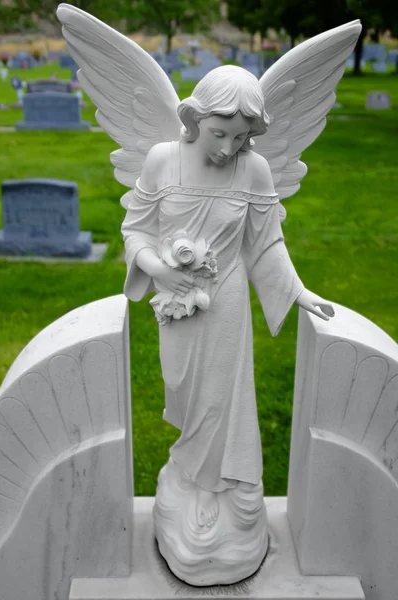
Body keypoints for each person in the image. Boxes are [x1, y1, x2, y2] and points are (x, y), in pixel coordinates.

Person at [121, 66, 334, 528]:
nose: (226, 149)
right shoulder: (162, 159)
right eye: (219, 133)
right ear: (195, 119)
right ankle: (190, 472)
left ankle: (219, 485)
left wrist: (298, 292)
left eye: (239, 139)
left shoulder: (253, 169)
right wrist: (158, 268)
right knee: (183, 392)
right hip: (176, 303)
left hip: (226, 300)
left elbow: (264, 245)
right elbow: (135, 229)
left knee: (223, 398)